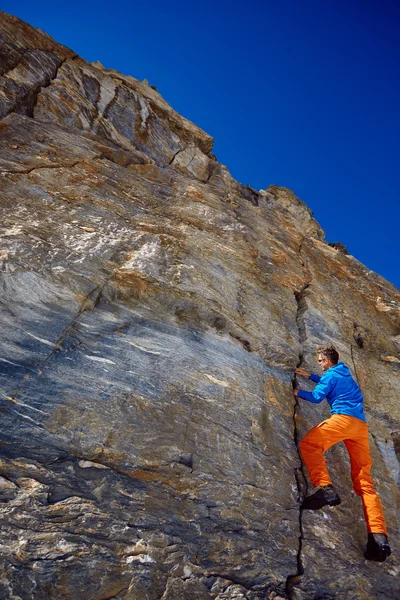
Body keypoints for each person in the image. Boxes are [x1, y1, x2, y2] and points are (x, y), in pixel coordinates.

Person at [294, 344, 391, 562]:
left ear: (327, 361)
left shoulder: (330, 375)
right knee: (365, 483)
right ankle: (379, 538)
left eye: (320, 361)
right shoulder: (345, 373)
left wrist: (298, 391)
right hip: (360, 428)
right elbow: (331, 384)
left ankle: (326, 489)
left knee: (310, 445)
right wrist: (311, 376)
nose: (319, 364)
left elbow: (317, 397)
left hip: (342, 421)